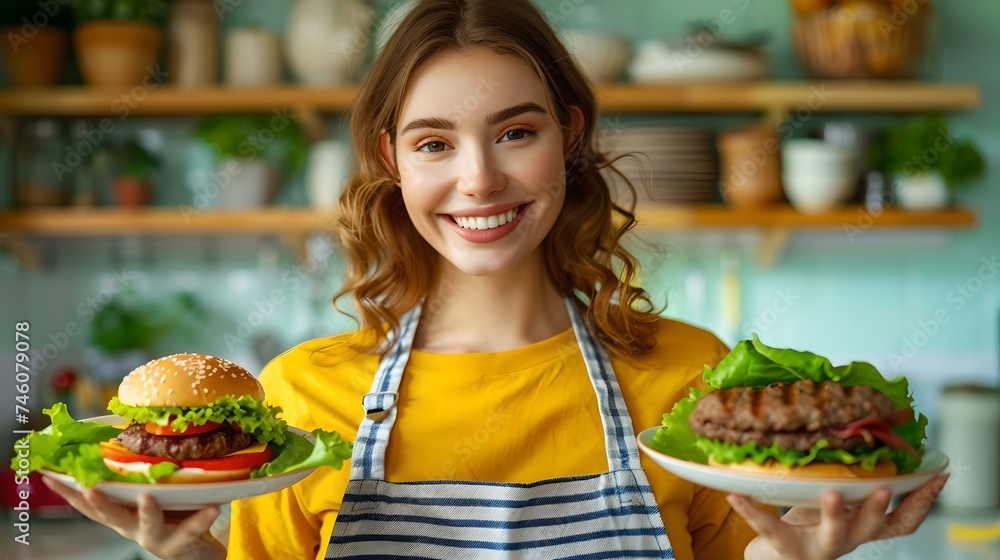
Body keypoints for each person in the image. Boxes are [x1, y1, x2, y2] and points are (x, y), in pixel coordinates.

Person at [43, 0, 949, 558]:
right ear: (389, 158)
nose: (478, 180)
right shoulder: (302, 400)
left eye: (517, 132)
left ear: (573, 135)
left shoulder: (688, 383)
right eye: (435, 142)